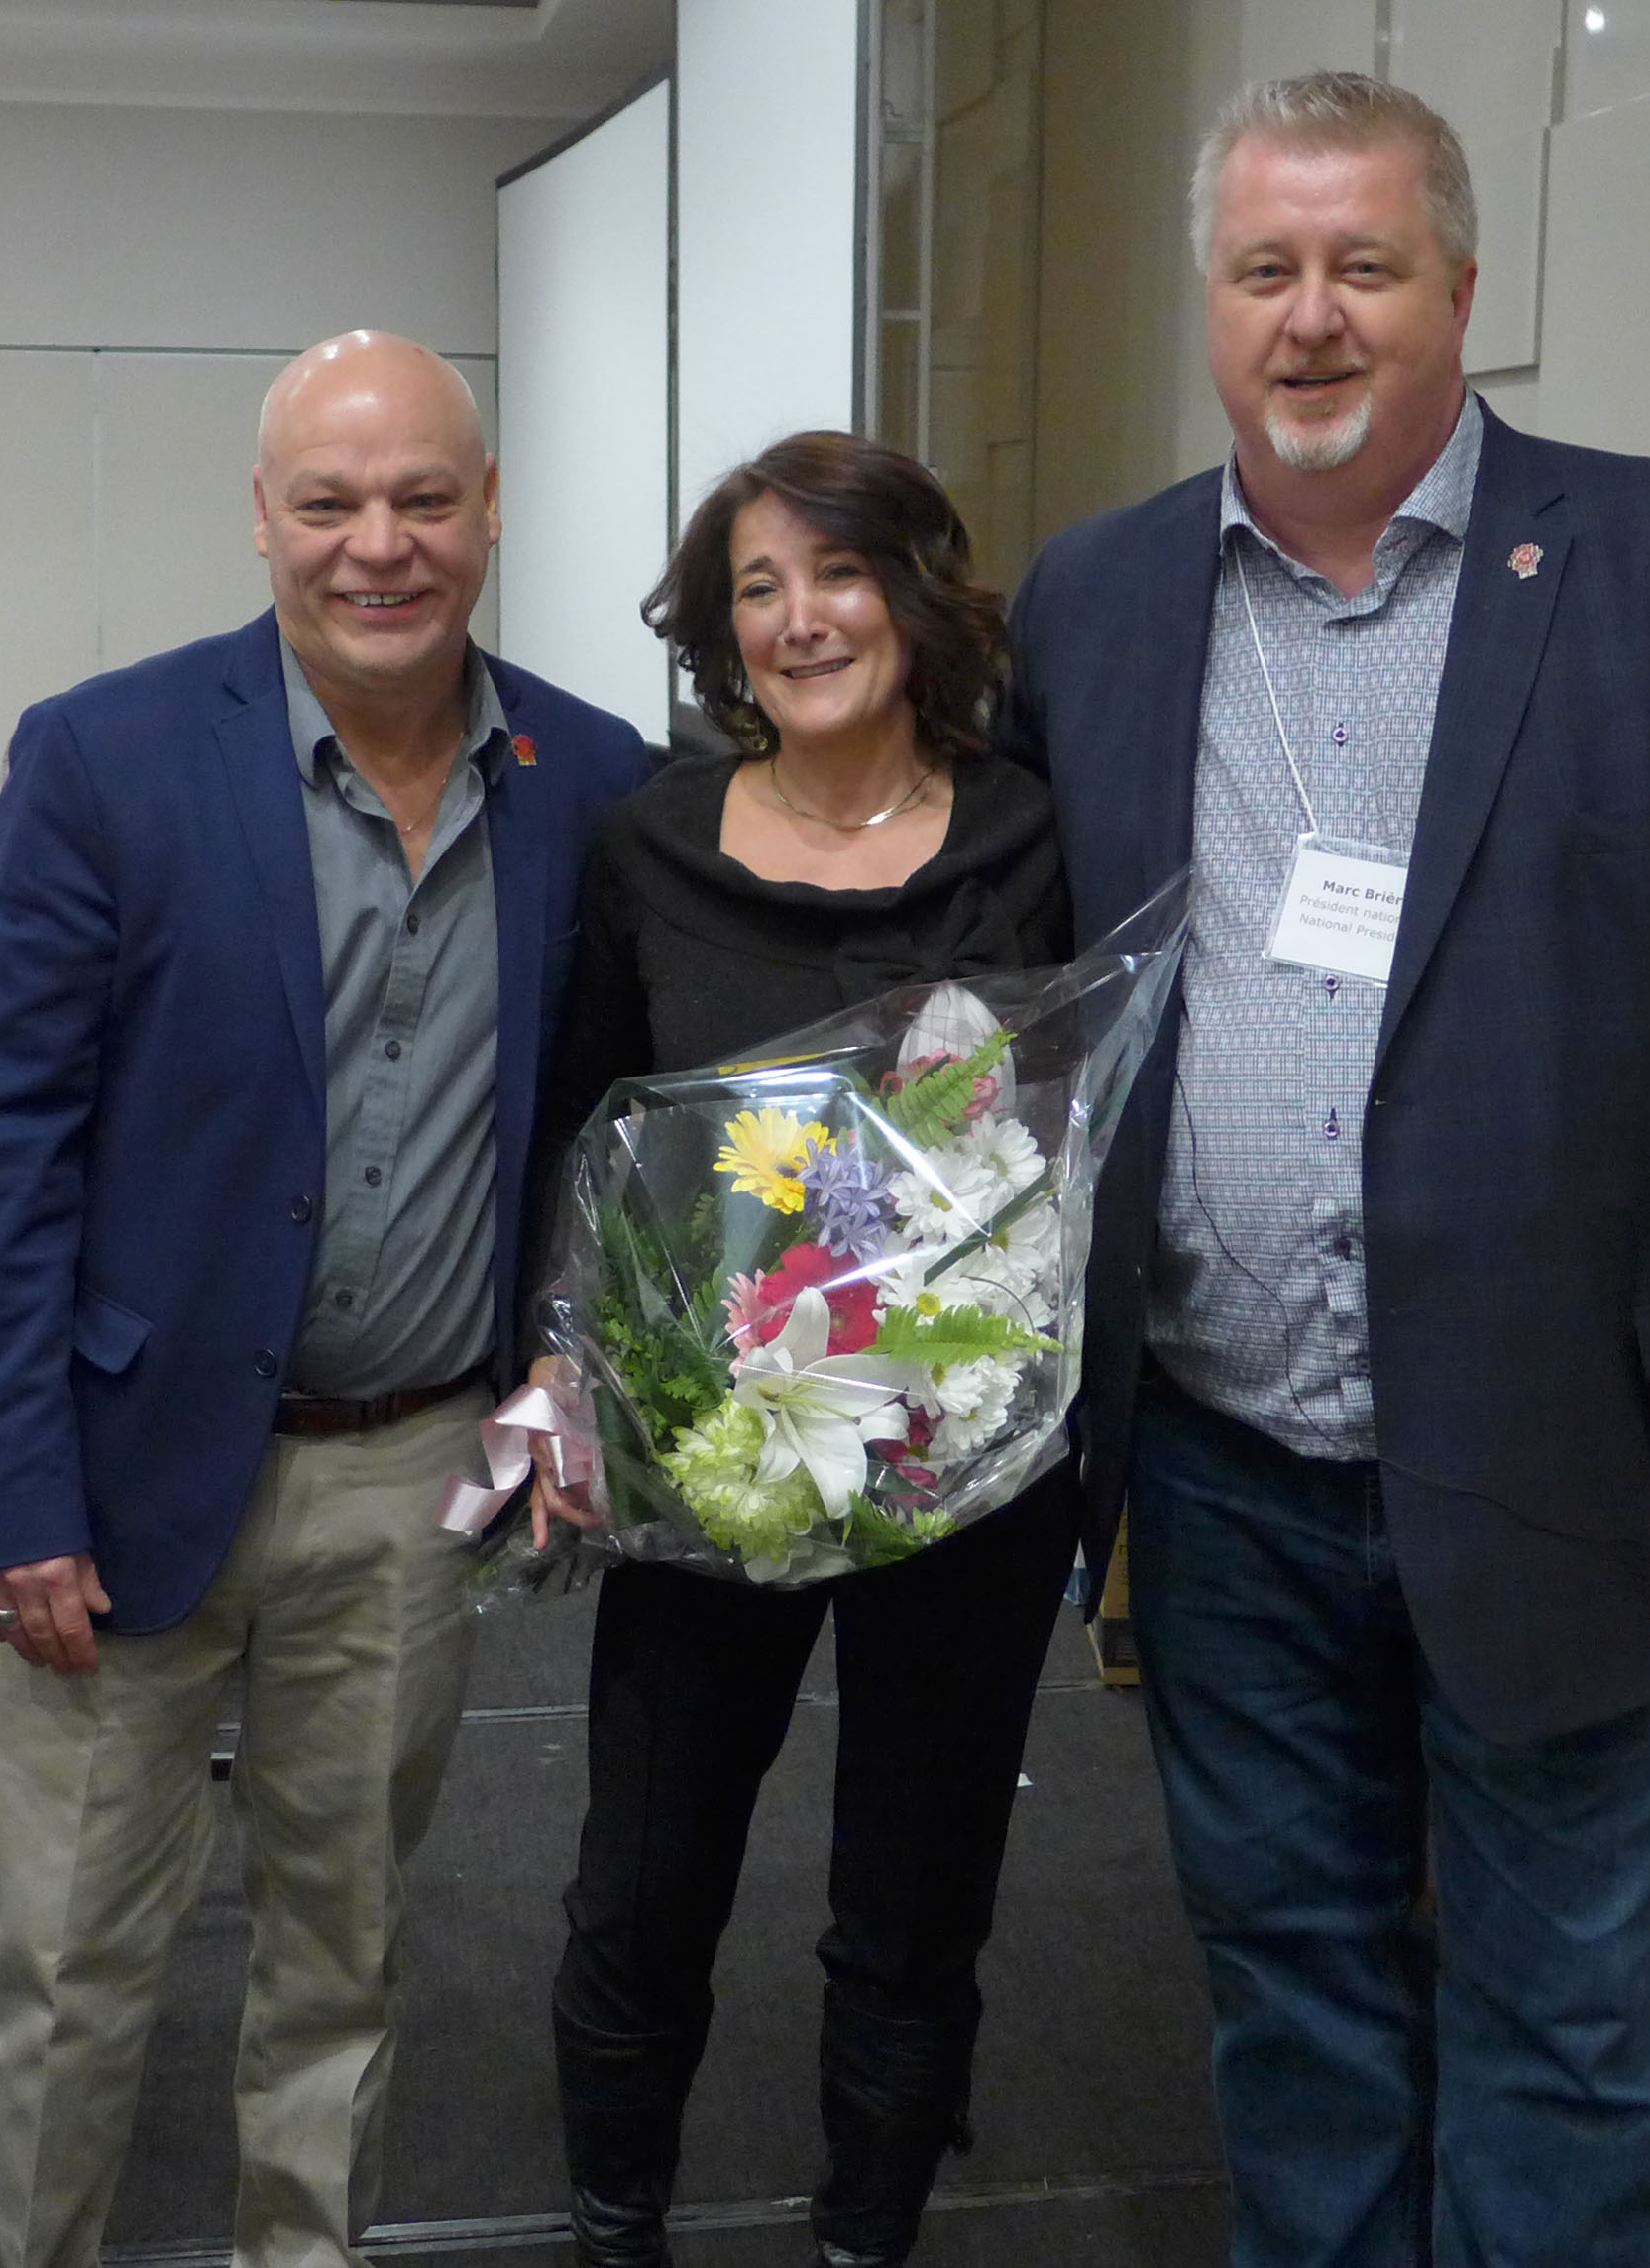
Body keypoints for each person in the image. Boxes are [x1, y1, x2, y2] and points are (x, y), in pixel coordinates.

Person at [997, 73, 1650, 2268]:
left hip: (1592, 1473)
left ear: (1463, 294)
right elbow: (1021, 1001)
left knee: (1573, 2058)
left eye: (1364, 267)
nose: (1312, 319)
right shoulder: (1096, 603)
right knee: (1296, 2027)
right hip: (1227, 1482)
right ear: (1210, 307)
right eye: (1264, 271)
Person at [0, 330, 651, 2268]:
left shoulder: (592, 778)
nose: (378, 546)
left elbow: (606, 1139)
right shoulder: (104, 756)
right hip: (117, 1469)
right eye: (328, 502)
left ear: (488, 510)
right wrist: (6, 1493)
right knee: (70, 1974)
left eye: (423, 497)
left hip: (409, 1482)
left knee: (342, 1960)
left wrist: (563, 1393)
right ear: (262, 518)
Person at [525, 431, 1078, 2268]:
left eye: (833, 574)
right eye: (755, 586)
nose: (797, 618)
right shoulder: (649, 848)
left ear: (914, 592)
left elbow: (1070, 1131)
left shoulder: (1030, 831)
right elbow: (582, 1129)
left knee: (914, 1901)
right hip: (713, 1453)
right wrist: (566, 1377)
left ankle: (866, 2234)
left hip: (962, 1469)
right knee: (644, 1880)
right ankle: (617, 2228)